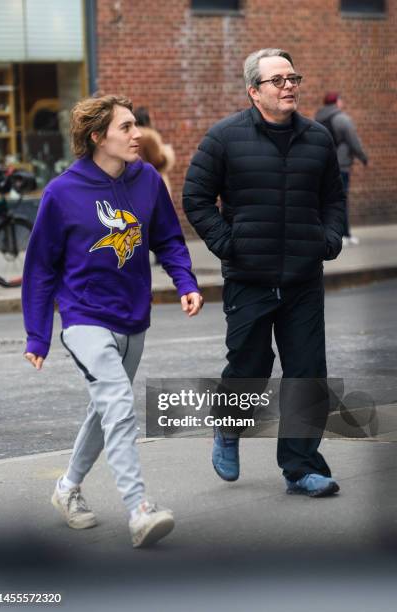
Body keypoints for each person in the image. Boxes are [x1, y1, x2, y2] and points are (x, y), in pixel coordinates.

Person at [22, 94, 202, 548]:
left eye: (134, 125)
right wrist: (38, 334)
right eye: (125, 128)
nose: (137, 134)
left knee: (105, 412)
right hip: (84, 318)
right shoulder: (62, 192)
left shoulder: (147, 181)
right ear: (97, 137)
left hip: (134, 318)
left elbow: (169, 240)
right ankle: (140, 509)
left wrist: (185, 284)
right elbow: (40, 268)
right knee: (119, 406)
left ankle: (66, 489)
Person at [183, 48, 346, 498]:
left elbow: (333, 199)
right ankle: (228, 426)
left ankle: (300, 468)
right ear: (254, 91)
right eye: (278, 80)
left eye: (294, 77)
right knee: (250, 367)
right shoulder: (224, 138)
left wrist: (327, 240)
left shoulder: (317, 139)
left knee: (307, 371)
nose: (290, 85)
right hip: (249, 279)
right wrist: (228, 244)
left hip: (303, 278)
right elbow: (196, 197)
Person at [315, 92, 368, 246]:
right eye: (341, 100)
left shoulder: (318, 118)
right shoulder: (342, 119)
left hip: (324, 165)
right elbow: (354, 142)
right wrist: (363, 158)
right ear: (337, 102)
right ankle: (344, 234)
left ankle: (329, 232)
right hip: (341, 166)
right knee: (341, 201)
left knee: (326, 200)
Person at [134, 106, 175, 196]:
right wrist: (167, 154)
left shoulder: (130, 135)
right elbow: (158, 161)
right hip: (152, 183)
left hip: (135, 182)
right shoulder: (150, 136)